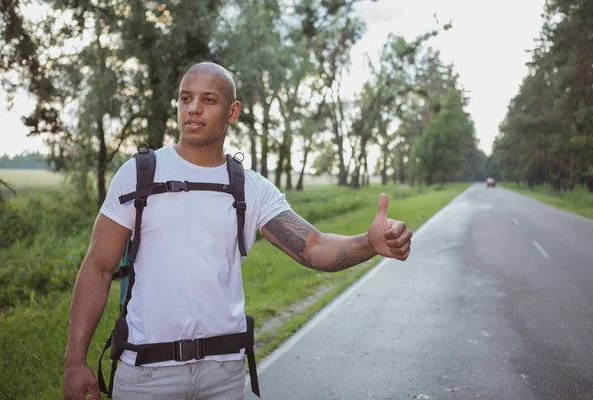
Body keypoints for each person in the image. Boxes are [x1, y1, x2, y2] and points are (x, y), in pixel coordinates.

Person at [62, 62, 413, 400]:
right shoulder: (139, 174)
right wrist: (75, 362)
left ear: (232, 112)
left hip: (223, 373)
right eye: (186, 98)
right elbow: (98, 267)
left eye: (208, 100)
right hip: (146, 372)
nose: (193, 109)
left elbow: (312, 246)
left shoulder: (249, 187)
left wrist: (368, 243)